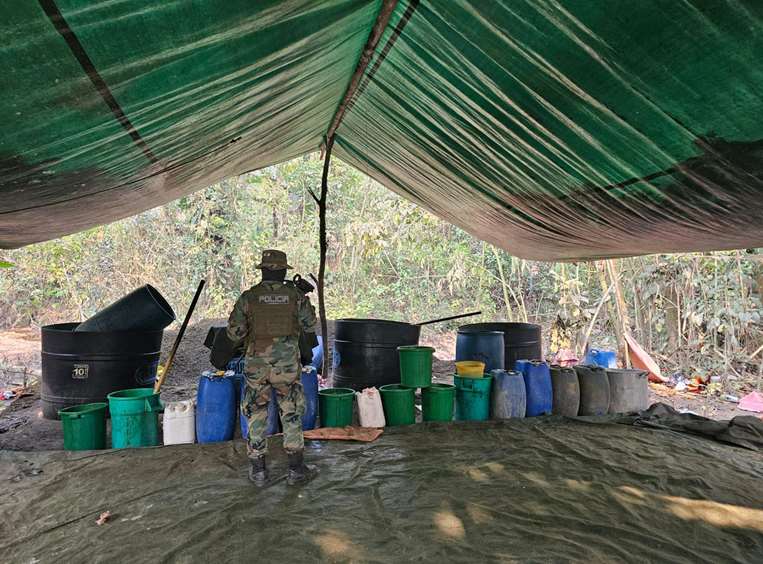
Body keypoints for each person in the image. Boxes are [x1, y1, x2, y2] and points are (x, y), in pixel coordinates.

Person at [225, 249, 318, 486]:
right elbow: (310, 325)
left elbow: (234, 332)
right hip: (286, 366)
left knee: (256, 413)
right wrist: (303, 297)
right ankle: (296, 470)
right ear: (284, 271)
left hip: (256, 367)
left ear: (264, 270)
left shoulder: (249, 297)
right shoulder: (295, 296)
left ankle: (258, 471)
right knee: (291, 412)